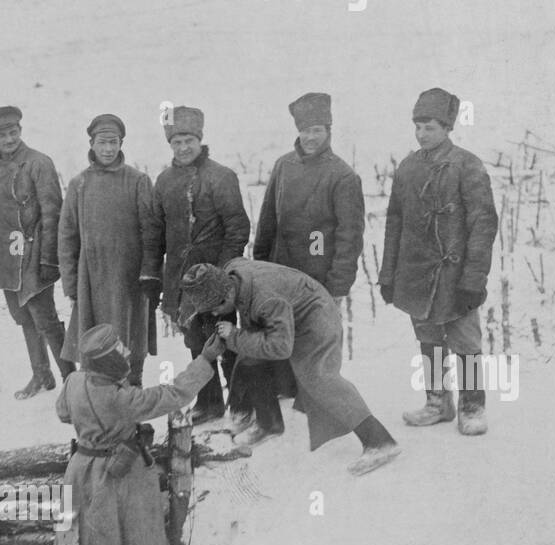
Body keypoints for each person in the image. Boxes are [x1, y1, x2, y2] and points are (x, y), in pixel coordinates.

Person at [56, 323, 219, 545]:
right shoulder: (121, 398)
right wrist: (205, 360)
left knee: (87, 534)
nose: (126, 353)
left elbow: (63, 413)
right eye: (118, 351)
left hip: (80, 469)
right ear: (107, 362)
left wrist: (92, 424)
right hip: (114, 472)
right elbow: (173, 394)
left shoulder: (73, 381)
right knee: (113, 533)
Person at [180, 259, 400, 476]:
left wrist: (235, 335)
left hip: (316, 318)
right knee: (249, 358)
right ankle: (269, 424)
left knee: (320, 379)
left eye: (215, 310)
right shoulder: (230, 273)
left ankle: (379, 441)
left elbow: (280, 348)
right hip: (287, 315)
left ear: (227, 295)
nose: (216, 315)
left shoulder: (266, 299)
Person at [380, 87, 499, 436]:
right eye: (417, 126)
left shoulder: (467, 164)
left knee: (466, 343)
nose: (421, 134)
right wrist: (389, 274)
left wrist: (473, 279)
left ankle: (472, 407)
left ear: (447, 128)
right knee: (428, 338)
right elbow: (394, 224)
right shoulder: (407, 167)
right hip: (416, 275)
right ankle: (437, 402)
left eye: (429, 127)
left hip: (456, 275)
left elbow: (483, 224)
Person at [249, 92, 366, 444]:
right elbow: (268, 217)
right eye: (305, 131)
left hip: (317, 279)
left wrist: (339, 284)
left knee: (316, 344)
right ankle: (285, 396)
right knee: (280, 334)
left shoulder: (342, 176)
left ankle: (322, 407)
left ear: (328, 130)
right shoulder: (284, 166)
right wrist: (260, 264)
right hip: (281, 272)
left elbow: (350, 236)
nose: (310, 137)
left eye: (317, 130)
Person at [142, 105, 250, 424]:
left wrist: (219, 275)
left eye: (189, 140)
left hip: (218, 279)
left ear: (200, 140)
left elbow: (237, 229)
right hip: (181, 282)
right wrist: (152, 274)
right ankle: (210, 402)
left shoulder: (221, 177)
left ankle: (243, 404)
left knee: (226, 340)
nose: (184, 147)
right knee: (195, 343)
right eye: (177, 142)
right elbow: (154, 233)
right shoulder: (163, 181)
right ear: (170, 145)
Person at [0, 106, 75, 399]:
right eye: (2, 135)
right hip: (6, 257)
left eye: (13, 133)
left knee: (44, 317)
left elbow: (51, 212)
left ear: (20, 131)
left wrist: (49, 259)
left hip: (34, 254)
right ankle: (41, 375)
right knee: (23, 318)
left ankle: (70, 381)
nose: (8, 139)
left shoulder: (39, 163)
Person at [59, 114, 158, 385]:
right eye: (102, 142)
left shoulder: (138, 181)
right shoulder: (79, 184)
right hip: (92, 281)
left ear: (121, 143)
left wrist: (149, 275)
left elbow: (151, 231)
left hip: (129, 281)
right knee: (96, 343)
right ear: (91, 143)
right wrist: (71, 284)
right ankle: (102, 397)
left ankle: (133, 395)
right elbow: (67, 236)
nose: (108, 149)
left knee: (131, 342)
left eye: (113, 142)